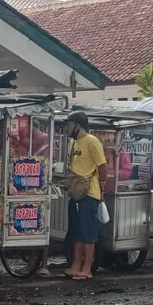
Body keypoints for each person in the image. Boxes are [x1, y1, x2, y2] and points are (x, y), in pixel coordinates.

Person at [63, 111, 108, 280]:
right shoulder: (73, 143)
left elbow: (102, 166)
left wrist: (102, 186)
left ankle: (87, 268)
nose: (67, 128)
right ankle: (75, 265)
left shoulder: (92, 141)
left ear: (78, 125)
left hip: (89, 193)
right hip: (75, 193)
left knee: (88, 232)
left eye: (69, 125)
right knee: (75, 231)